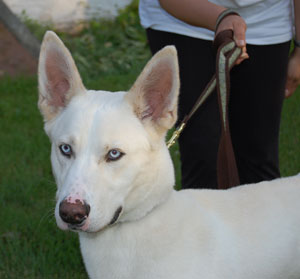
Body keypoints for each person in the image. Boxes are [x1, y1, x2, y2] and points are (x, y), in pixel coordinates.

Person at [139, 0, 300, 189]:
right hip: (180, 22)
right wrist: (222, 17)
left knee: (260, 162)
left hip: (267, 22)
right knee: (203, 156)